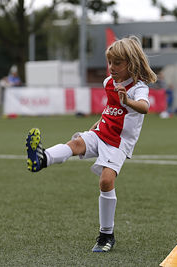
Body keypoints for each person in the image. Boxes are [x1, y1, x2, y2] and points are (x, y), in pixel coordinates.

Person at [25, 36, 157, 252]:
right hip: (101, 131)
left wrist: (128, 101)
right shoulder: (108, 83)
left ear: (130, 64)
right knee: (76, 143)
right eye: (110, 62)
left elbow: (144, 107)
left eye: (117, 63)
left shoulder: (138, 87)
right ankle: (41, 159)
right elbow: (110, 109)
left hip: (118, 142)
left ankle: (106, 235)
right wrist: (96, 125)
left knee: (106, 182)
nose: (111, 68)